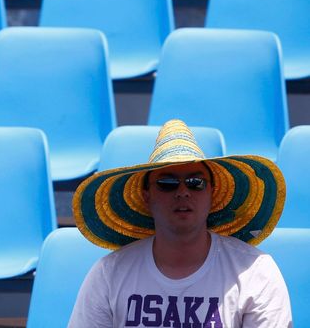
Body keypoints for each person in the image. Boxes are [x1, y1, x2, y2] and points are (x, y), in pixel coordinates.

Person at [68, 119, 292, 327]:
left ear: (212, 193)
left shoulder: (256, 272)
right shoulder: (109, 274)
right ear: (147, 196)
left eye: (196, 182)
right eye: (167, 182)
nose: (183, 192)